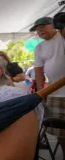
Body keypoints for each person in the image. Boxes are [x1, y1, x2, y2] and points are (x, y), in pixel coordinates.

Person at [31, 16, 65, 159]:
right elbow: (39, 72)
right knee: (61, 134)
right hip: (55, 95)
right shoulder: (39, 47)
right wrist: (41, 95)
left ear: (55, 25)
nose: (40, 30)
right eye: (37, 29)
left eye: (44, 26)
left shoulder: (62, 37)